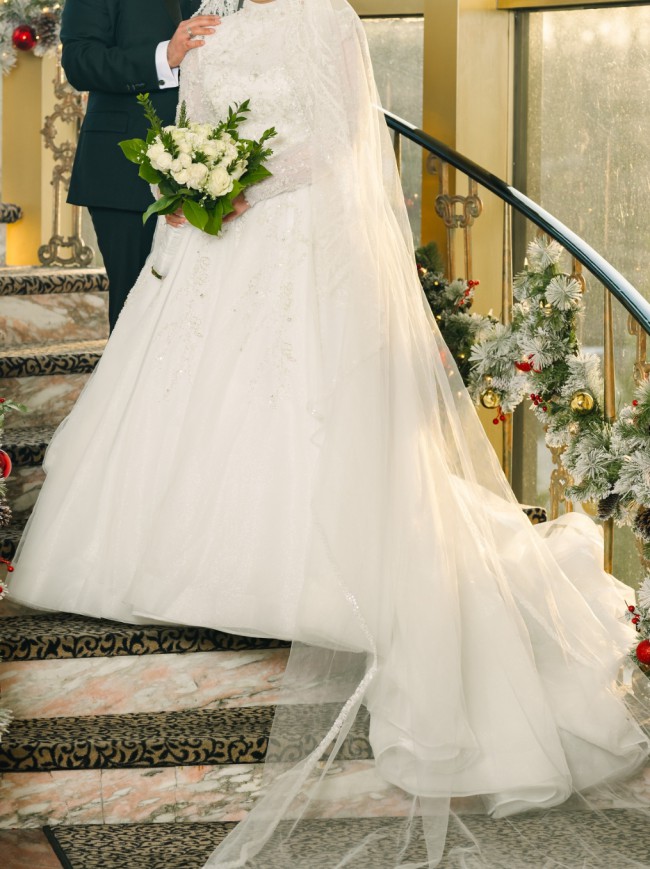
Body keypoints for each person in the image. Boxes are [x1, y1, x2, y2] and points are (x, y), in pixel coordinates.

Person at [12, 1, 650, 866]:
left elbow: (345, 139)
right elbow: (190, 112)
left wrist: (241, 186)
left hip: (292, 239)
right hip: (206, 243)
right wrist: (195, 181)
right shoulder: (213, 15)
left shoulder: (329, 17)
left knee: (296, 403)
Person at [61, 0, 220, 330]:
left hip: (218, 171)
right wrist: (164, 57)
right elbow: (79, 61)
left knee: (206, 317)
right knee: (135, 315)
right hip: (126, 175)